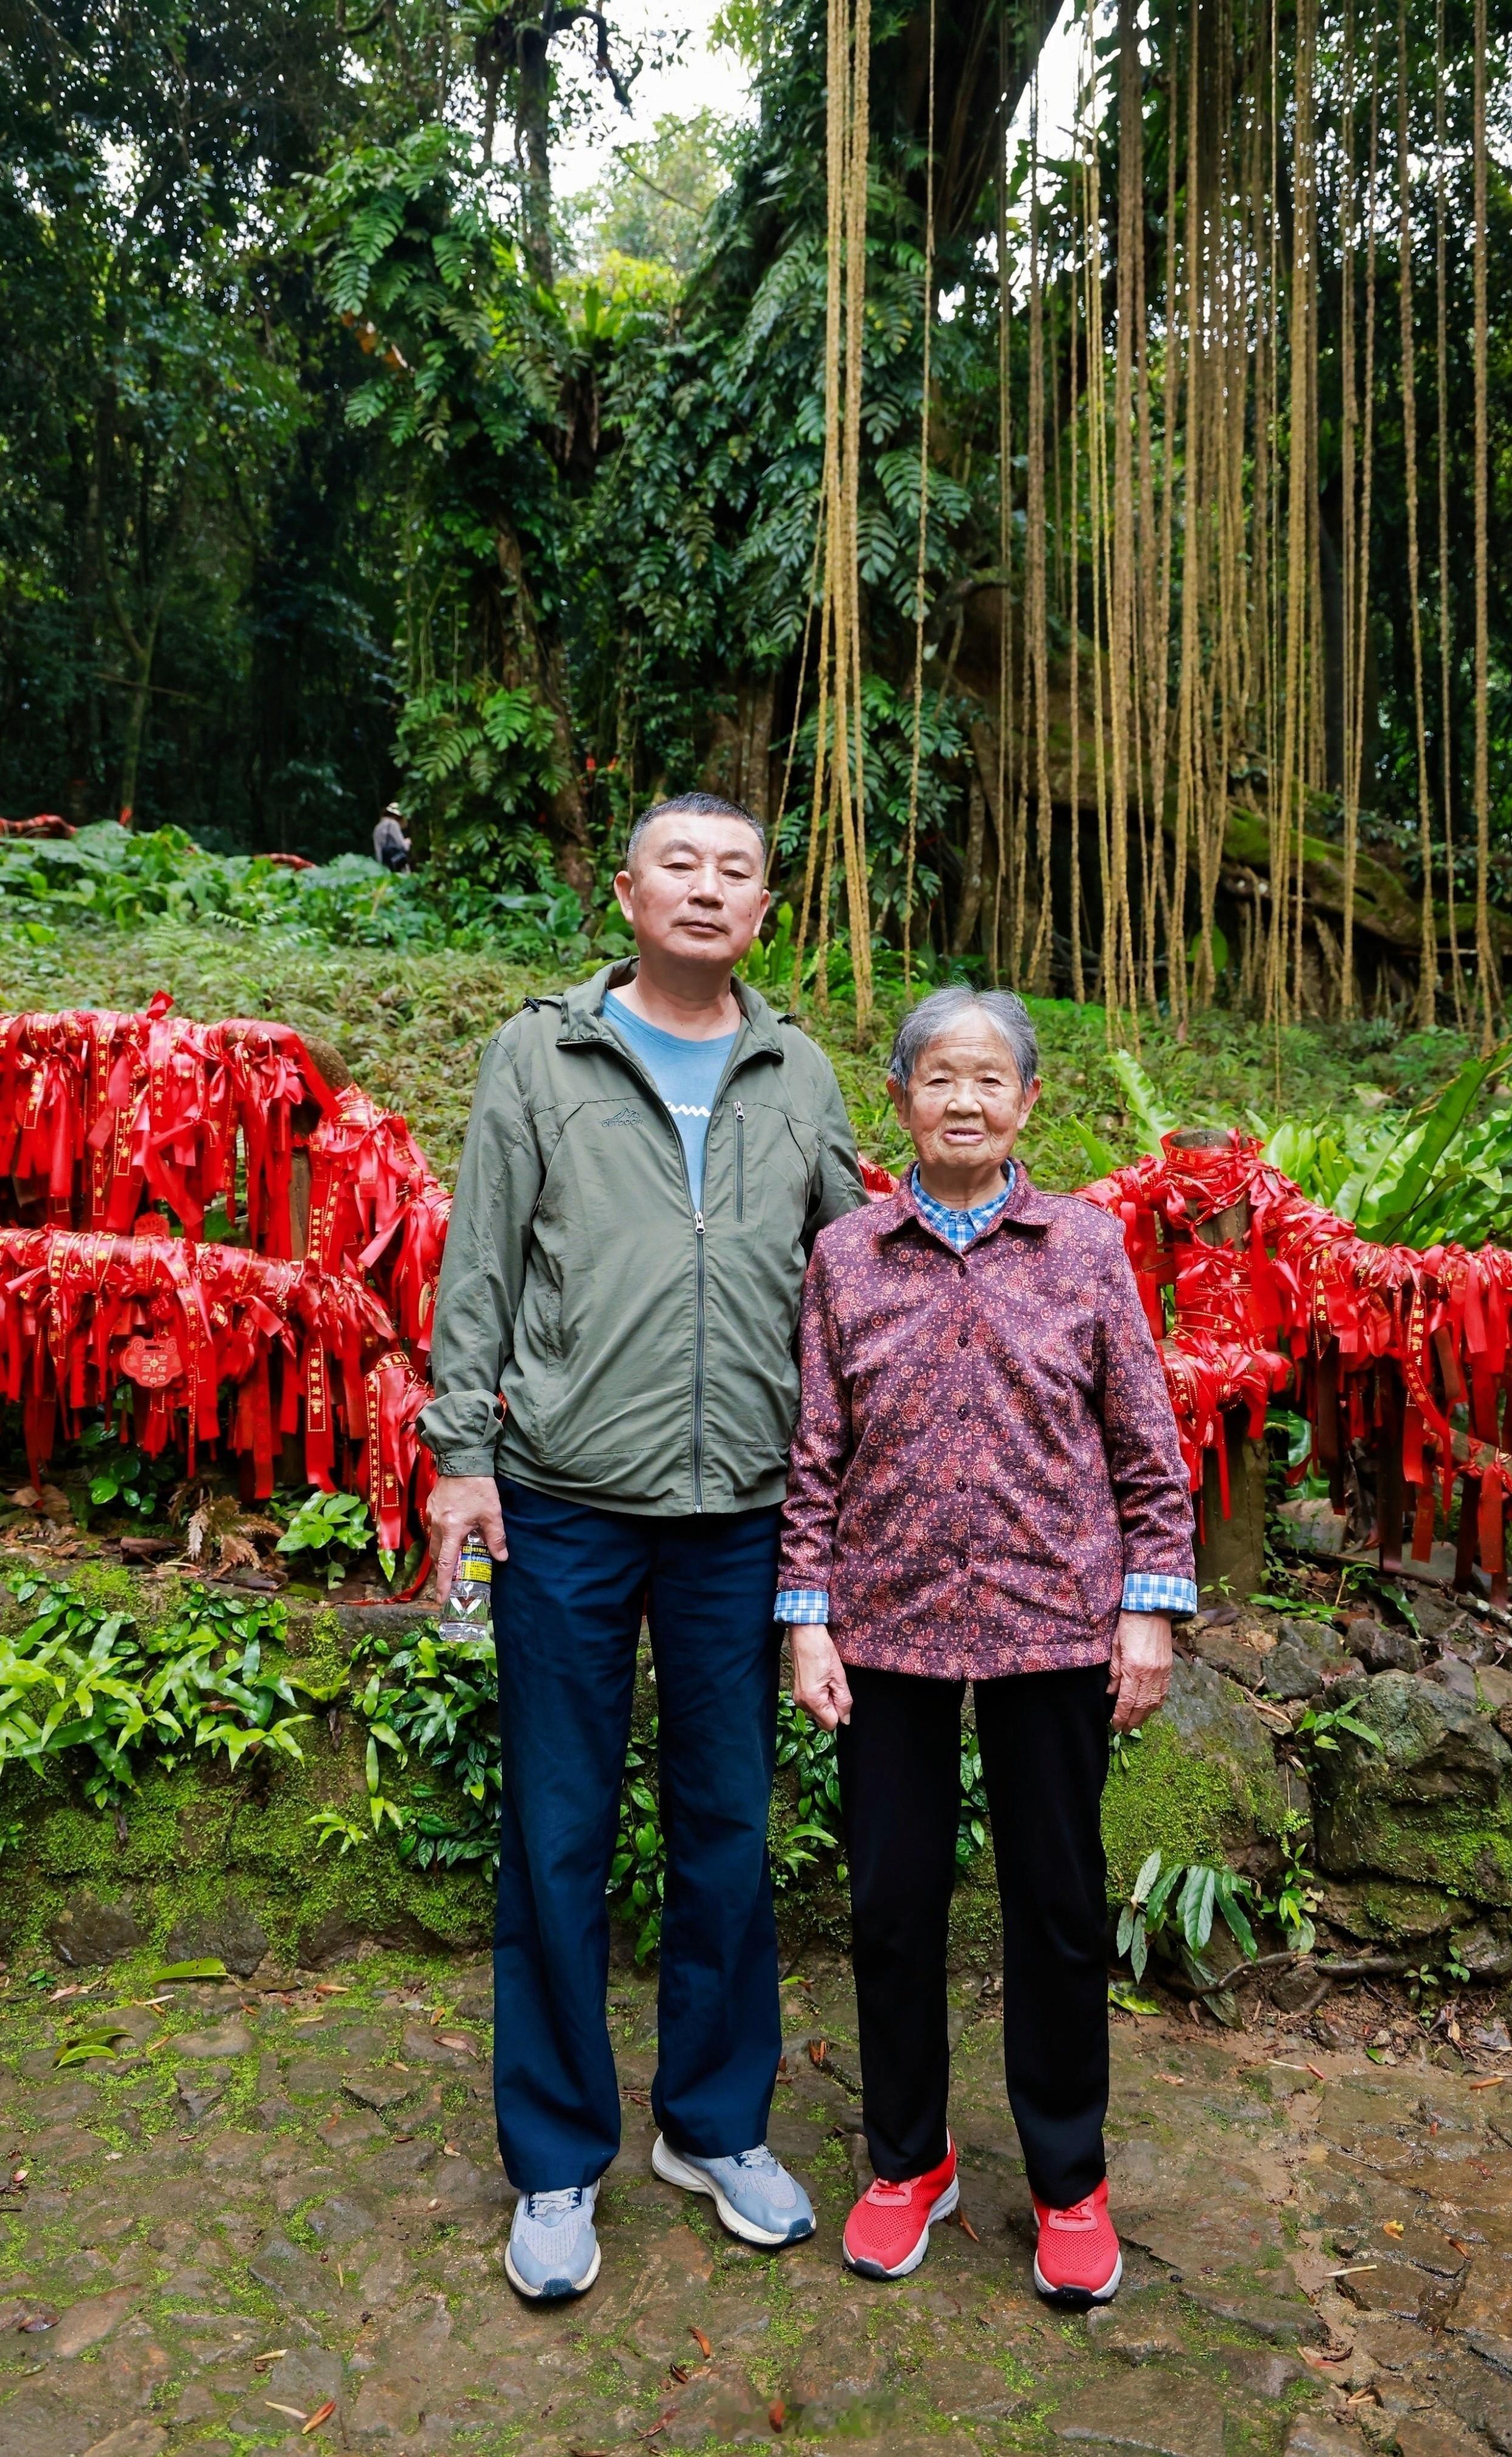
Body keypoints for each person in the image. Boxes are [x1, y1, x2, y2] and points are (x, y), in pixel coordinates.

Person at [420, 791, 866, 2303]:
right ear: (626, 891)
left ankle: (713, 2123)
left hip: (742, 1509)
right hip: (565, 1495)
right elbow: (477, 1255)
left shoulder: (796, 1069)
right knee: (554, 1826)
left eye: (736, 869)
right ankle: (554, 2158)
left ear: (762, 908)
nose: (706, 886)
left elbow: (850, 1274)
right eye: (679, 861)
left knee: (727, 1823)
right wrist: (459, 1459)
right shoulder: (539, 1055)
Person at [778, 985, 1197, 2308]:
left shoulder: (1079, 1246)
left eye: (987, 1079)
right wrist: (805, 1619)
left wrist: (1146, 1607)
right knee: (892, 1907)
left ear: (1027, 1101)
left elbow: (1142, 1439)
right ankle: (907, 2158)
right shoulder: (847, 1254)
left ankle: (1068, 2178)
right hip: (887, 1623)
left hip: (1051, 1622)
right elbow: (811, 1456)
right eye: (935, 1078)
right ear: (897, 1098)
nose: (962, 1099)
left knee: (1058, 1912)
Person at [373, 803, 411, 871]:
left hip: (385, 866)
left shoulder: (377, 828)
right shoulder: (393, 824)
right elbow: (402, 845)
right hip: (397, 863)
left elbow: (378, 851)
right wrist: (407, 842)